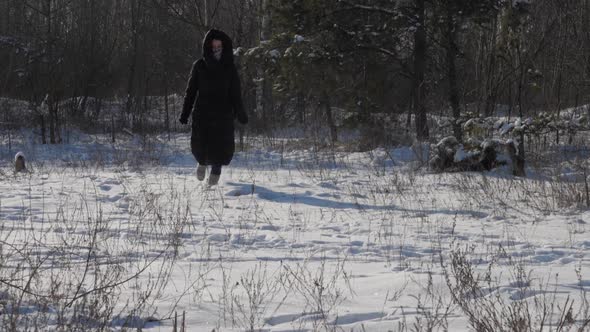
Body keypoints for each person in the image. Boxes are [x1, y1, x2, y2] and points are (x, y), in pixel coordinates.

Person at [180, 29, 248, 186]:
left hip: (223, 113)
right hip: (203, 112)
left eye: (219, 45)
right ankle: (202, 163)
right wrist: (185, 112)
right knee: (201, 143)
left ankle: (216, 170)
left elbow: (235, 93)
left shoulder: (229, 68)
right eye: (213, 45)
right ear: (208, 46)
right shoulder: (199, 66)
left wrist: (241, 113)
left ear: (224, 46)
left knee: (221, 145)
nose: (216, 48)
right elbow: (190, 91)